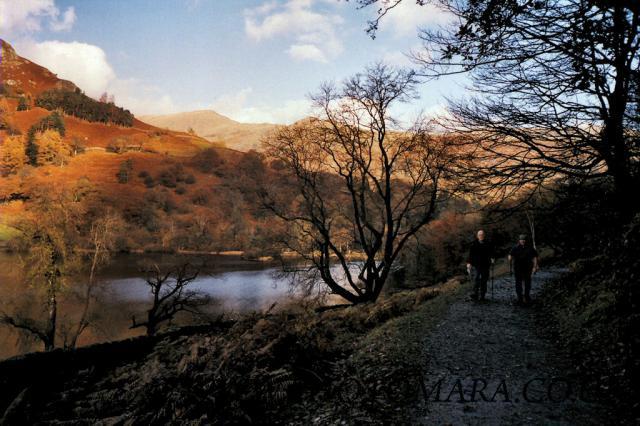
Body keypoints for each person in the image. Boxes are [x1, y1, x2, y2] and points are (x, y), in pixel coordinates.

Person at [508, 234, 539, 305]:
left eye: (524, 240)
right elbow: (510, 254)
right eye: (521, 240)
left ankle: (527, 297)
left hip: (527, 268)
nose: (523, 241)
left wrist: (535, 266)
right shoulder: (515, 247)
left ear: (526, 240)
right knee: (518, 283)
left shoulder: (530, 248)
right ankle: (520, 298)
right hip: (518, 268)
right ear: (519, 240)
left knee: (527, 283)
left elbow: (535, 257)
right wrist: (510, 258)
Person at [466, 230, 494, 301]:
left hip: (485, 264)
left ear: (484, 235)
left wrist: (492, 258)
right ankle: (475, 294)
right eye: (479, 235)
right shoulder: (474, 244)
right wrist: (469, 263)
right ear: (477, 236)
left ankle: (482, 295)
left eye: (482, 235)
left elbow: (492, 252)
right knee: (476, 279)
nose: (481, 236)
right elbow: (470, 255)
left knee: (484, 280)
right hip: (477, 264)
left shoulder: (488, 243)